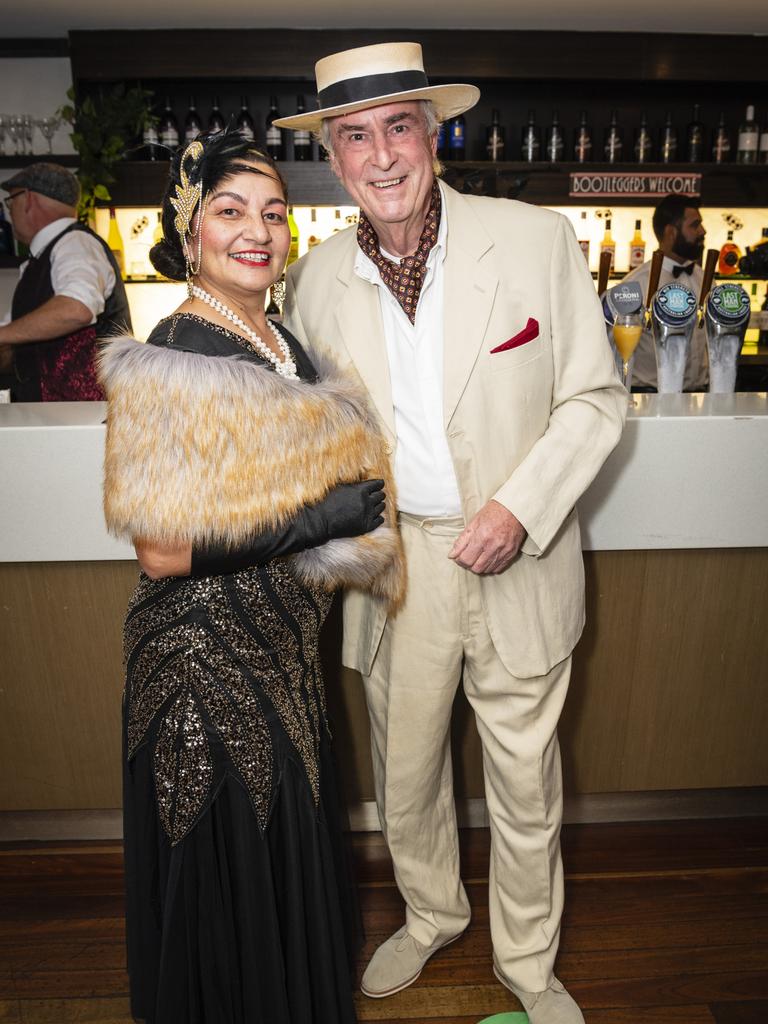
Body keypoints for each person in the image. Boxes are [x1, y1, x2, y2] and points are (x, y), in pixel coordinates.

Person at [278, 42, 627, 1024]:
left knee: (525, 778)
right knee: (406, 769)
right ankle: (431, 912)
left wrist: (520, 505)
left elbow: (596, 399)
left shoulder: (533, 240)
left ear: (432, 136)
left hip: (523, 550)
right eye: (356, 135)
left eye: (399, 127)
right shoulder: (313, 283)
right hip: (399, 566)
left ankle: (527, 958)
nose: (381, 154)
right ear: (335, 158)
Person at [98, 130, 405, 1024]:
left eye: (273, 212)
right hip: (203, 662)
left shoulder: (280, 339)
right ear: (189, 230)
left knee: (282, 852)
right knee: (227, 872)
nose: (257, 231)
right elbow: (160, 549)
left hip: (278, 644)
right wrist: (324, 519)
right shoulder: (176, 348)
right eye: (230, 211)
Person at [0, 163, 131, 401]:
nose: (10, 212)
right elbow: (15, 352)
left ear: (28, 199)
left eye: (11, 201)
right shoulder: (39, 260)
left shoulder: (75, 243)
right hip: (55, 418)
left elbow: (76, 309)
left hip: (83, 421)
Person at [620, 195, 708, 391]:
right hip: (650, 396)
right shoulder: (636, 284)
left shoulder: (704, 279)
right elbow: (616, 348)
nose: (703, 231)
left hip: (699, 396)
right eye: (695, 225)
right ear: (671, 232)